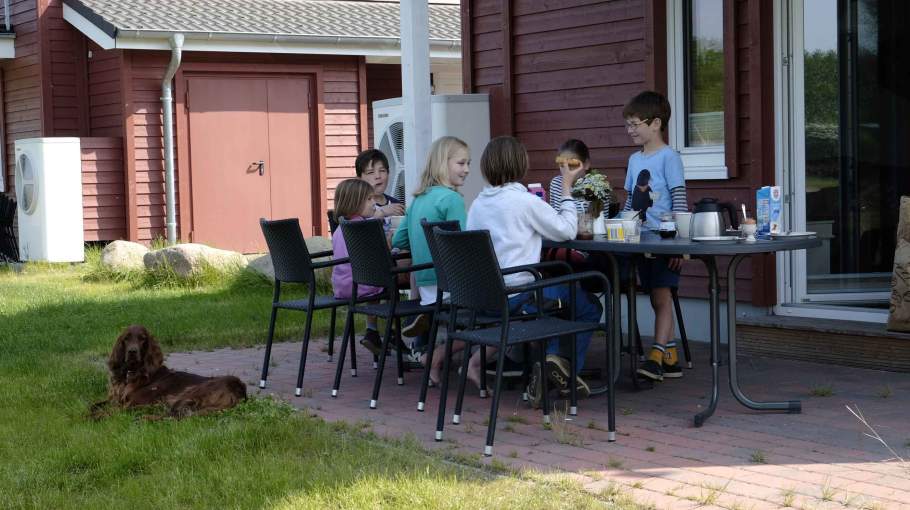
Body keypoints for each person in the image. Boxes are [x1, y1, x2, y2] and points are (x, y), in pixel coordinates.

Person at [467, 136, 603, 407]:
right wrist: (565, 188)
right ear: (521, 164)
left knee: (558, 294)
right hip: (519, 295)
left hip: (485, 299)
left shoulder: (477, 204)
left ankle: (551, 364)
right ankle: (562, 372)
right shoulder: (524, 202)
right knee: (587, 304)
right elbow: (565, 229)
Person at [620, 90, 688, 382]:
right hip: (641, 238)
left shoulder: (669, 157)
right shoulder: (634, 160)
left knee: (662, 297)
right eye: (628, 124)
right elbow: (629, 200)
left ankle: (657, 355)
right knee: (655, 296)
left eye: (635, 124)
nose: (630, 130)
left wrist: (679, 246)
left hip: (665, 238)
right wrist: (621, 224)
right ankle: (671, 358)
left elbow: (680, 200)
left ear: (656, 123)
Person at [391, 136, 471, 382]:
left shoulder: (418, 200)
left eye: (468, 163)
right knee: (506, 308)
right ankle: (442, 357)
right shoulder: (452, 199)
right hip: (450, 287)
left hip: (427, 288)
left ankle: (430, 348)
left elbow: (399, 241)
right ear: (442, 163)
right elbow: (464, 248)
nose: (467, 169)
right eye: (461, 163)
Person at [330, 178, 385, 311]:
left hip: (341, 286)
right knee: (390, 276)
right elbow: (380, 253)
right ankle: (393, 324)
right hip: (361, 284)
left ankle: (372, 328)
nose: (374, 202)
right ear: (354, 202)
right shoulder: (362, 227)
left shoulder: (340, 228)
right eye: (369, 199)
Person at [548, 139, 610, 218]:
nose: (566, 170)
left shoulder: (598, 186)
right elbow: (555, 217)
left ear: (586, 164)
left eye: (572, 164)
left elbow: (600, 222)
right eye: (562, 164)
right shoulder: (556, 183)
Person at [355, 149, 405, 221]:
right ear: (359, 179)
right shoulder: (356, 206)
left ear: (388, 173)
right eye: (370, 172)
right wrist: (382, 211)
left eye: (382, 171)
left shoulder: (396, 205)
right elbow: (356, 230)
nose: (378, 176)